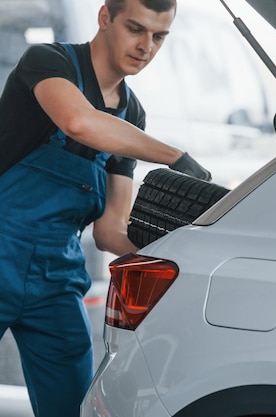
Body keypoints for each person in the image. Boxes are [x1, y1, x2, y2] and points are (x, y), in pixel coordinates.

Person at [0, 0, 210, 415]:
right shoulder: (48, 61)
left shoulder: (132, 115)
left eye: (159, 36)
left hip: (55, 279)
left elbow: (110, 230)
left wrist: (188, 255)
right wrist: (173, 156)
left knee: (74, 406)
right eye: (135, 29)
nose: (146, 46)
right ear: (104, 18)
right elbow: (78, 122)